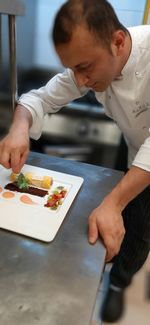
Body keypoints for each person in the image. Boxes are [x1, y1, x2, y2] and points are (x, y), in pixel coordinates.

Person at [0, 0, 150, 322]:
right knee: (128, 214)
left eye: (85, 67)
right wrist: (19, 127)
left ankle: (119, 284)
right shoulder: (88, 66)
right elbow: (37, 98)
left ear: (118, 41)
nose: (80, 81)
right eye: (73, 69)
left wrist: (113, 203)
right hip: (137, 152)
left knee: (142, 228)